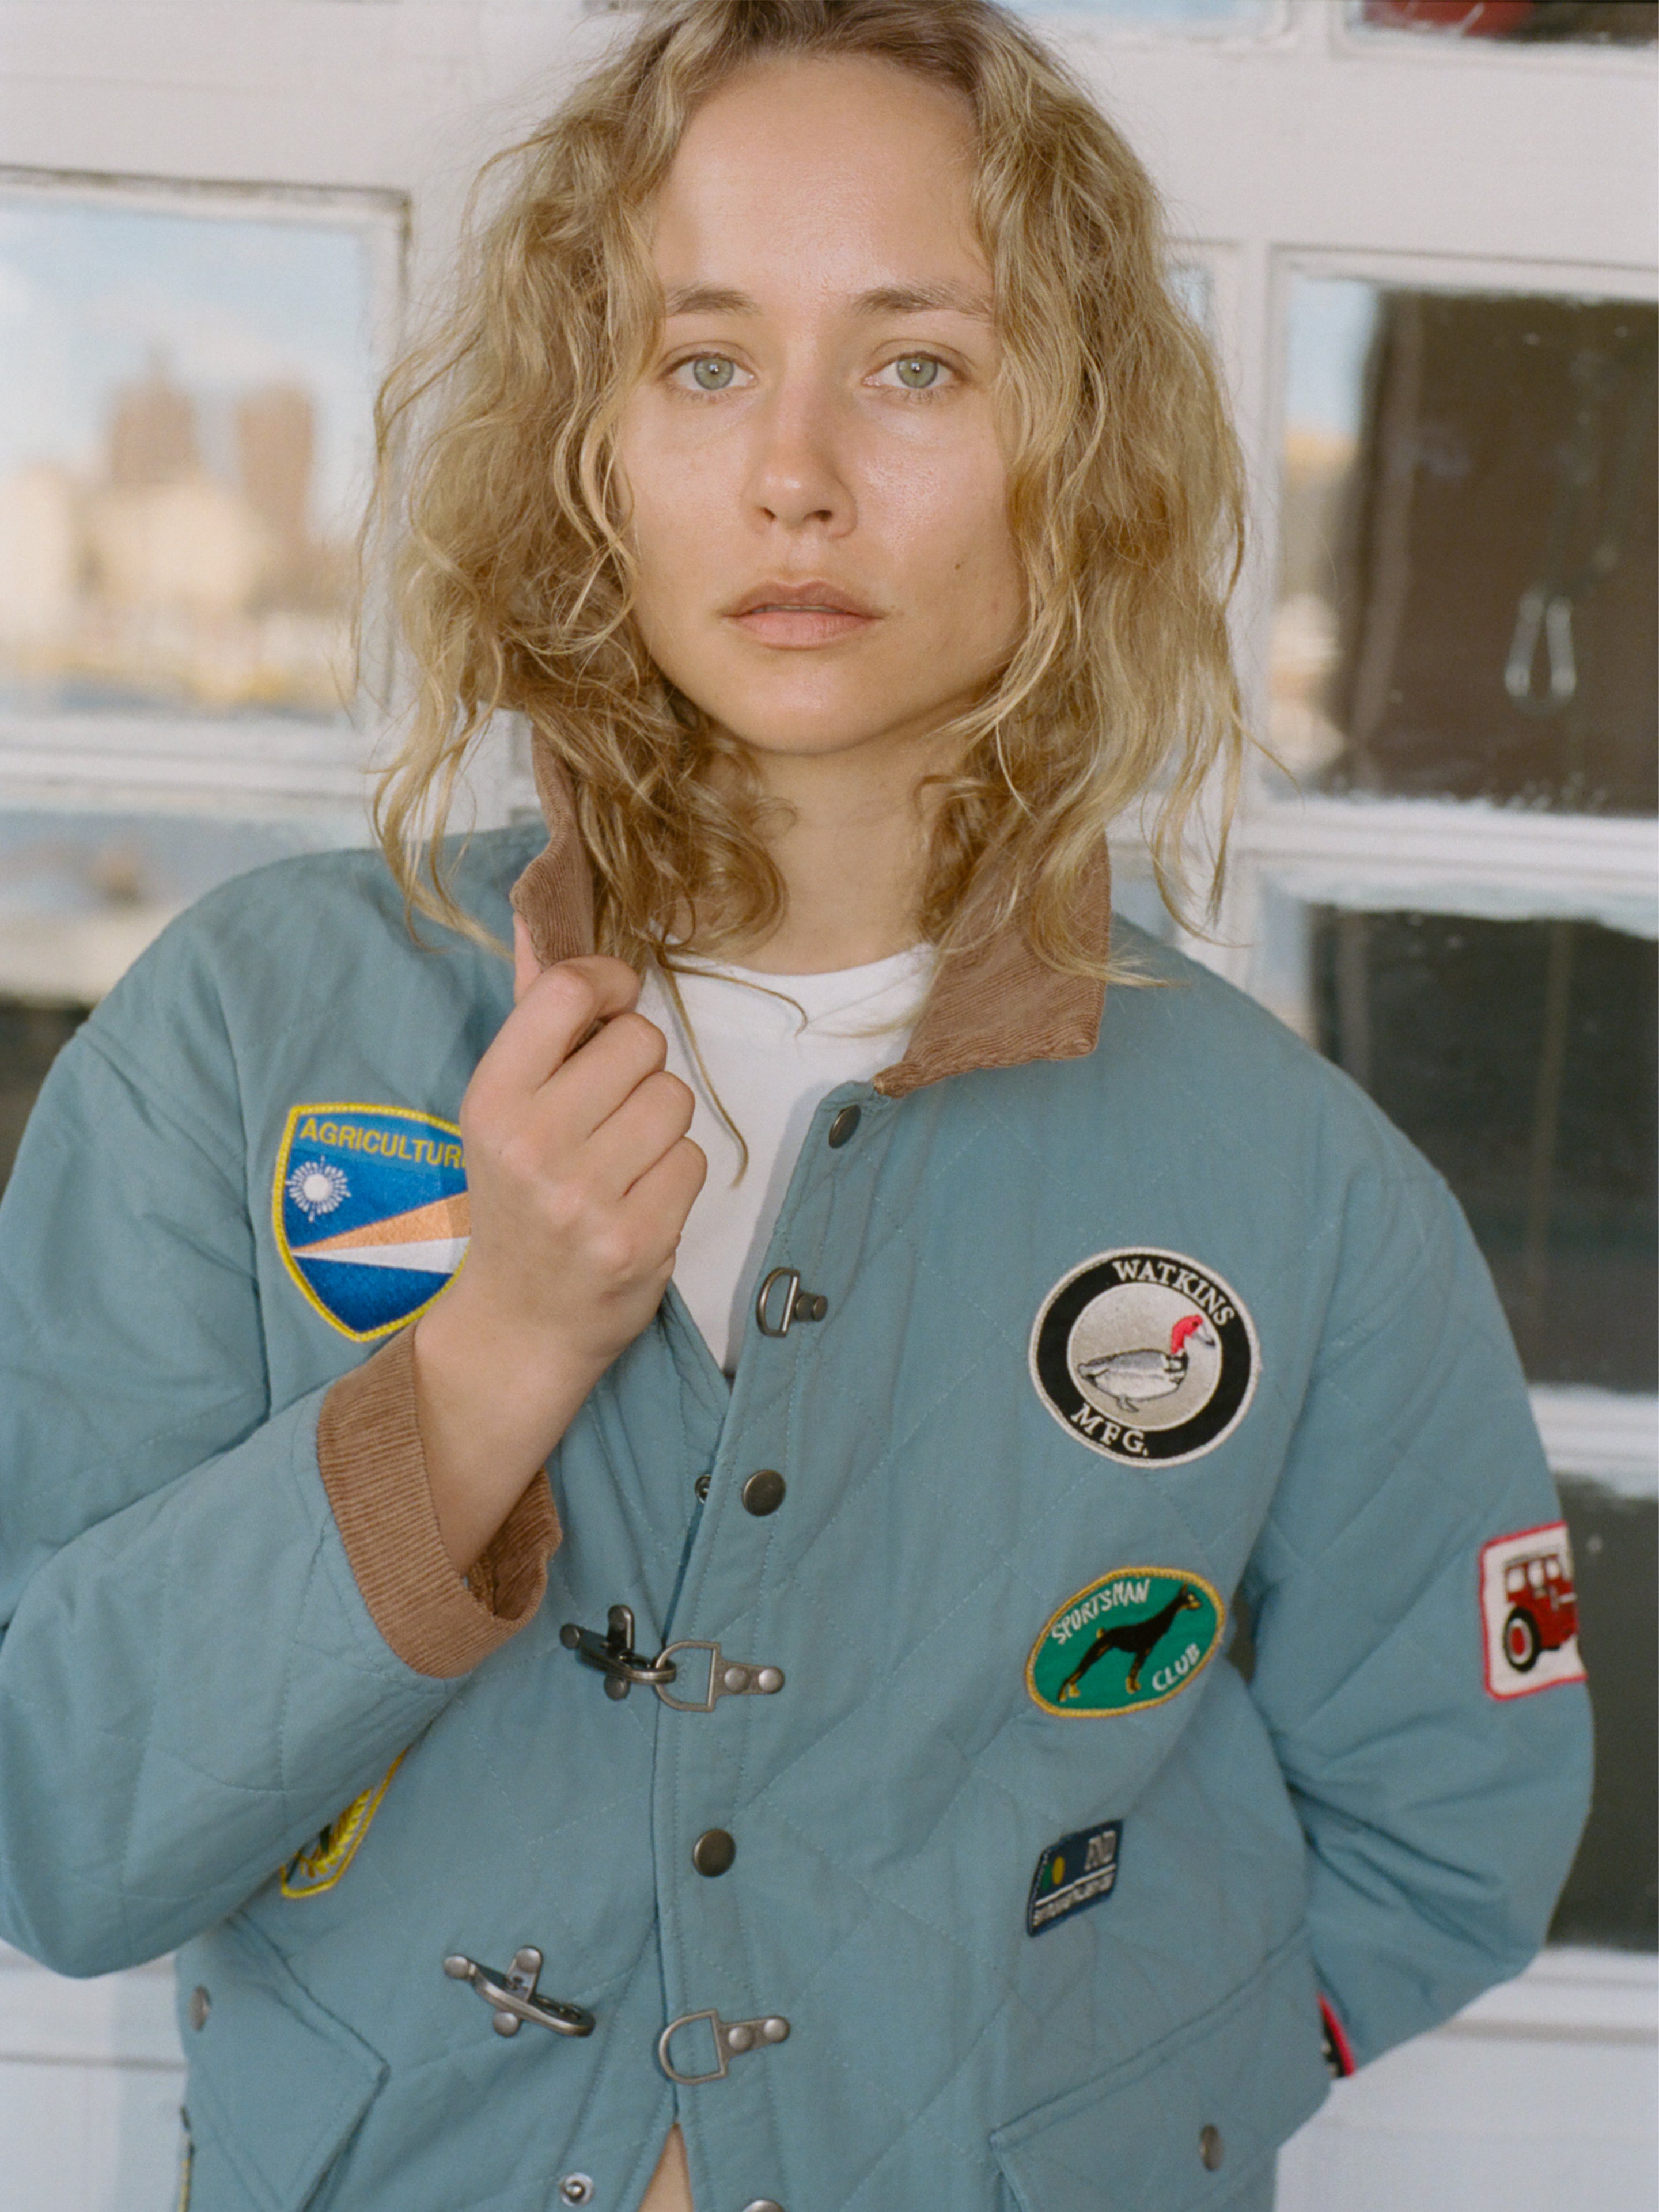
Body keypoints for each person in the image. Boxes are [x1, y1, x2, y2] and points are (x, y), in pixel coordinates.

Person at [0, 3, 1592, 2208]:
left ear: (1080, 448)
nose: (799, 474)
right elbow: (50, 1822)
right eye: (705, 359)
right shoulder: (246, 1029)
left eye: (919, 364)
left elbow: (1451, 1825)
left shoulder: (1297, 1178)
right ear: (586, 438)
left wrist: (1082, 2117)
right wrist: (498, 1353)